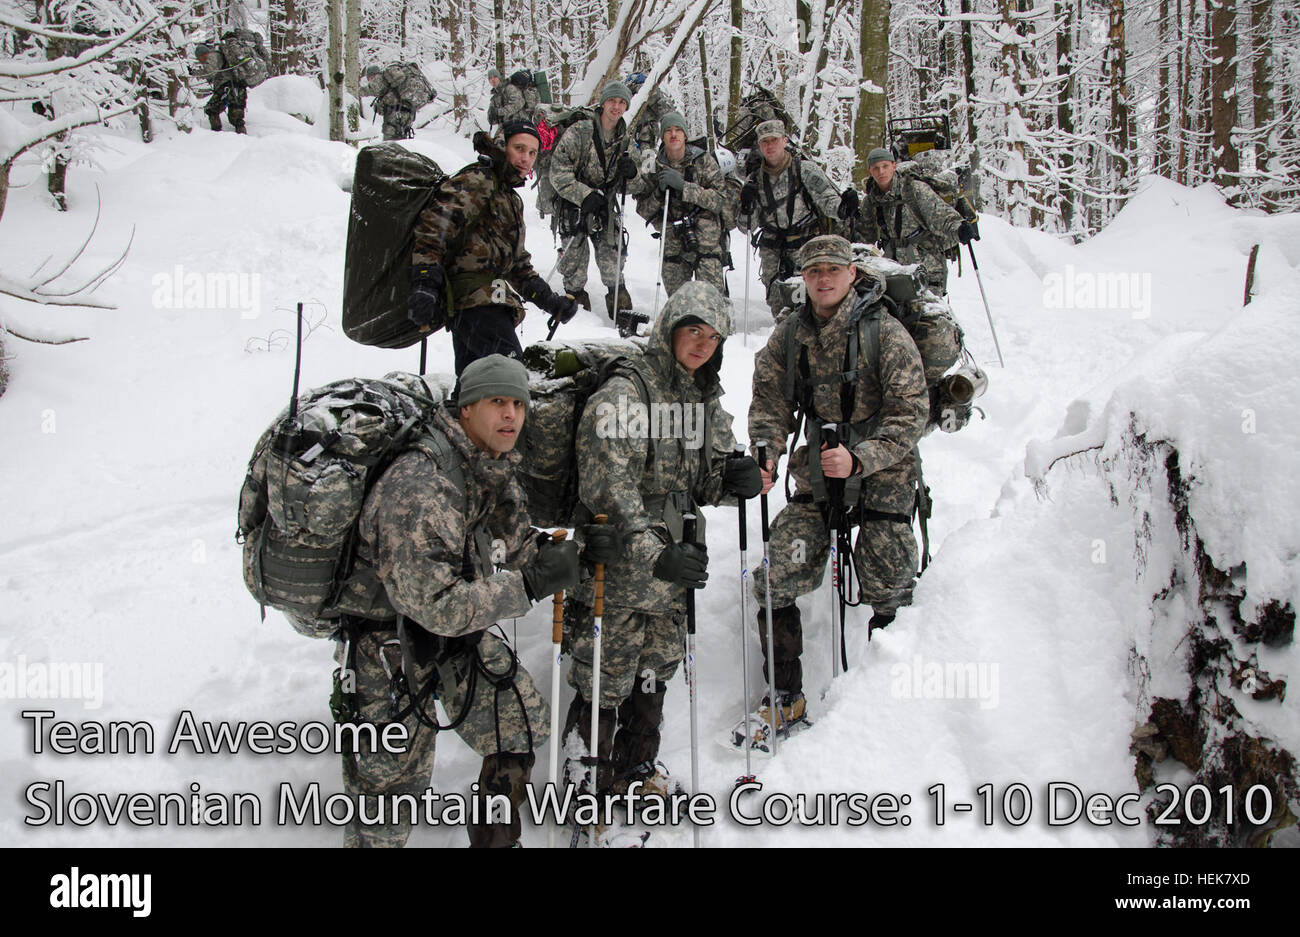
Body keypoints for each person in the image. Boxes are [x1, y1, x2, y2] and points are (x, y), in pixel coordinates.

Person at [340, 354, 618, 848]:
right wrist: (530, 584)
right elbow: (437, 605)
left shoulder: (488, 464)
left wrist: (566, 554)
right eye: (496, 402)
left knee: (519, 726)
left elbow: (513, 546)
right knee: (388, 800)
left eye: (518, 403)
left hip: (451, 636)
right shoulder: (421, 485)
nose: (510, 415)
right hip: (387, 650)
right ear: (466, 408)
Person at [563, 281, 762, 800]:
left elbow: (707, 476)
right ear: (670, 327)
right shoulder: (626, 391)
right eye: (694, 331)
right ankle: (585, 793)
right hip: (622, 569)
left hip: (676, 566)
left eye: (714, 337)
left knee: (655, 674)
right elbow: (611, 489)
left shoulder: (701, 396)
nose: (703, 345)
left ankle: (635, 770)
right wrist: (657, 557)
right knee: (604, 679)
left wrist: (732, 480)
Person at [744, 235, 928, 742]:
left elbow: (911, 413)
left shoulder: (883, 333)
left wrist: (862, 458)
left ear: (852, 273)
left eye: (832, 269)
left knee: (889, 579)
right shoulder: (789, 335)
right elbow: (768, 400)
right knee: (775, 573)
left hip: (883, 471)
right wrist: (766, 449)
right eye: (812, 271)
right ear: (803, 279)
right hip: (821, 469)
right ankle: (785, 695)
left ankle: (885, 692)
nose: (822, 278)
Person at [411, 122, 577, 374]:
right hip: (475, 301)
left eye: (532, 153)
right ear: (502, 146)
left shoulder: (508, 196)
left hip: (488, 301)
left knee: (476, 389)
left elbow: (518, 265)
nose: (525, 158)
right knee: (509, 376)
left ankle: (457, 411)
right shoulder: (479, 180)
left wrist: (550, 302)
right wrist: (424, 282)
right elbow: (435, 227)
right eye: (519, 148)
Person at [550, 80, 642, 333]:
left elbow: (638, 185)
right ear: (603, 103)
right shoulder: (580, 131)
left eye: (622, 102)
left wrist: (631, 173)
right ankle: (576, 321)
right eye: (612, 101)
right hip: (574, 207)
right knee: (575, 267)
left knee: (613, 264)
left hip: (605, 210)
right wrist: (584, 194)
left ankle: (624, 319)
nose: (616, 106)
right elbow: (557, 171)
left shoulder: (625, 139)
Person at [737, 120, 851, 321]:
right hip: (773, 250)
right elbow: (745, 226)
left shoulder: (804, 170)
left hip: (807, 246)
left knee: (817, 301)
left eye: (774, 140)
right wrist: (747, 204)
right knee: (778, 305)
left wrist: (843, 208)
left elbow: (827, 199)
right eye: (765, 142)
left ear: (784, 140)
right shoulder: (754, 180)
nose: (770, 146)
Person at [628, 112, 730, 298]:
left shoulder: (703, 161)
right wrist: (658, 193)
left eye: (678, 130)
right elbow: (643, 209)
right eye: (668, 131)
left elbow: (719, 200)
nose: (673, 135)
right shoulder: (653, 166)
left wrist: (684, 187)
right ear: (662, 136)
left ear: (685, 135)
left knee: (711, 303)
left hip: (706, 243)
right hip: (673, 244)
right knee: (677, 305)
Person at [853, 148, 974, 296]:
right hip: (894, 270)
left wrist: (959, 228)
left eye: (885, 166)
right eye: (876, 168)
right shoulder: (871, 201)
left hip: (927, 267)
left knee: (929, 315)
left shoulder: (914, 189)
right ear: (870, 172)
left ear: (894, 166)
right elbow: (863, 238)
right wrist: (849, 213)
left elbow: (940, 214)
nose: (881, 172)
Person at [363, 62, 435, 141]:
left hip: (395, 115)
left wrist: (352, 92)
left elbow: (368, 90)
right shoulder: (392, 84)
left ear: (373, 75)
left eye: (370, 78)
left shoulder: (380, 79)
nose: (370, 81)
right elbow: (390, 101)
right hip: (408, 114)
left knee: (390, 142)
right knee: (402, 141)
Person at [624, 72, 678, 152]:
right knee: (646, 158)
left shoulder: (626, 94)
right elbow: (665, 110)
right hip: (646, 135)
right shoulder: (649, 91)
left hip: (632, 134)